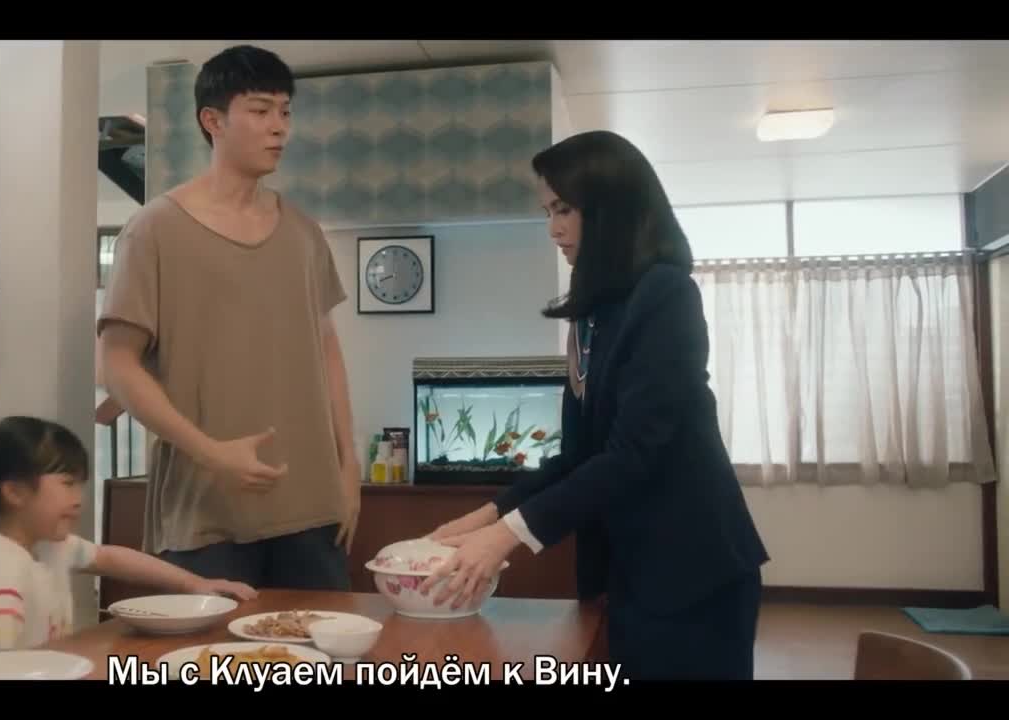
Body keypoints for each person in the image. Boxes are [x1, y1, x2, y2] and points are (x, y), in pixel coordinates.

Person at [422, 130, 770, 681]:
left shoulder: (666, 294)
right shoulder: (593, 315)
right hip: (629, 568)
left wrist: (506, 536)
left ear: (611, 207)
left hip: (691, 568)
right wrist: (485, 516)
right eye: (547, 211)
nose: (553, 229)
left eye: (564, 209)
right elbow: (579, 455)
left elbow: (635, 452)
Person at [96, 45, 359, 591]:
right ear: (212, 121)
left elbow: (327, 350)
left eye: (285, 111)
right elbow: (116, 365)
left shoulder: (304, 233)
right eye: (260, 110)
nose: (279, 127)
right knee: (207, 645)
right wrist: (210, 452)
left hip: (311, 509)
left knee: (321, 642)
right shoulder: (154, 230)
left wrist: (349, 464)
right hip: (205, 514)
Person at [0, 416, 256, 660]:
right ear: (15, 492)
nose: (78, 499)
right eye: (68, 484)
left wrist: (195, 584)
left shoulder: (44, 545)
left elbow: (108, 557)